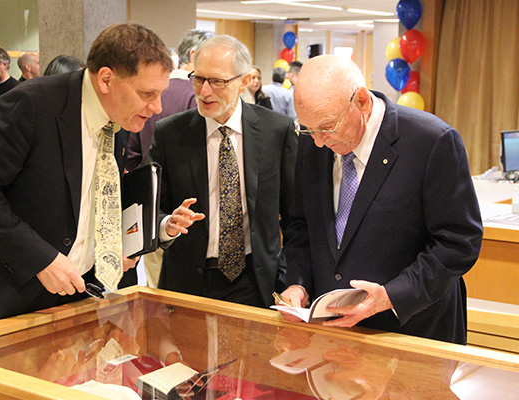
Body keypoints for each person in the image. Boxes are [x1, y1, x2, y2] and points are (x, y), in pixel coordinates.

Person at [0, 23, 173, 329]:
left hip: (72, 300)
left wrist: (113, 246)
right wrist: (40, 259)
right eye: (147, 94)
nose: (157, 107)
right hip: (3, 298)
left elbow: (87, 197)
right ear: (106, 79)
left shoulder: (118, 119)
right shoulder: (31, 104)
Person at [280, 55, 482, 345]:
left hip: (412, 329)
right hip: (334, 334)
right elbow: (301, 226)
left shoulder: (432, 141)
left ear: (362, 101)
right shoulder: (313, 140)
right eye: (308, 129)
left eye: (327, 128)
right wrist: (298, 283)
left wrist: (392, 296)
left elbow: (459, 243)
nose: (319, 142)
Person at [149, 35, 297, 308]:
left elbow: (294, 215)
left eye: (217, 81)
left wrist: (290, 277)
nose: (205, 91)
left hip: (255, 280)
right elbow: (152, 208)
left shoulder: (276, 131)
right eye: (198, 79)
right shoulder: (170, 134)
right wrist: (167, 224)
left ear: (244, 81)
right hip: (188, 280)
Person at [126, 29, 214, 289]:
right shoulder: (197, 99)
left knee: (155, 288)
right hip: (190, 219)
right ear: (195, 55)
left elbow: (131, 155)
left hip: (151, 210)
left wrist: (150, 187)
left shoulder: (145, 93)